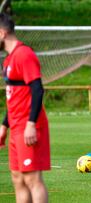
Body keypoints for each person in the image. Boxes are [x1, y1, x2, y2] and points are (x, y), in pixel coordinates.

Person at [0, 13, 50, 202]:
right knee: (18, 179)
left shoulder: (24, 54)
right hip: (16, 126)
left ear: (2, 33)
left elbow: (37, 90)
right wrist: (4, 126)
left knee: (32, 178)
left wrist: (31, 123)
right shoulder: (8, 60)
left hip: (28, 126)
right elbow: (14, 97)